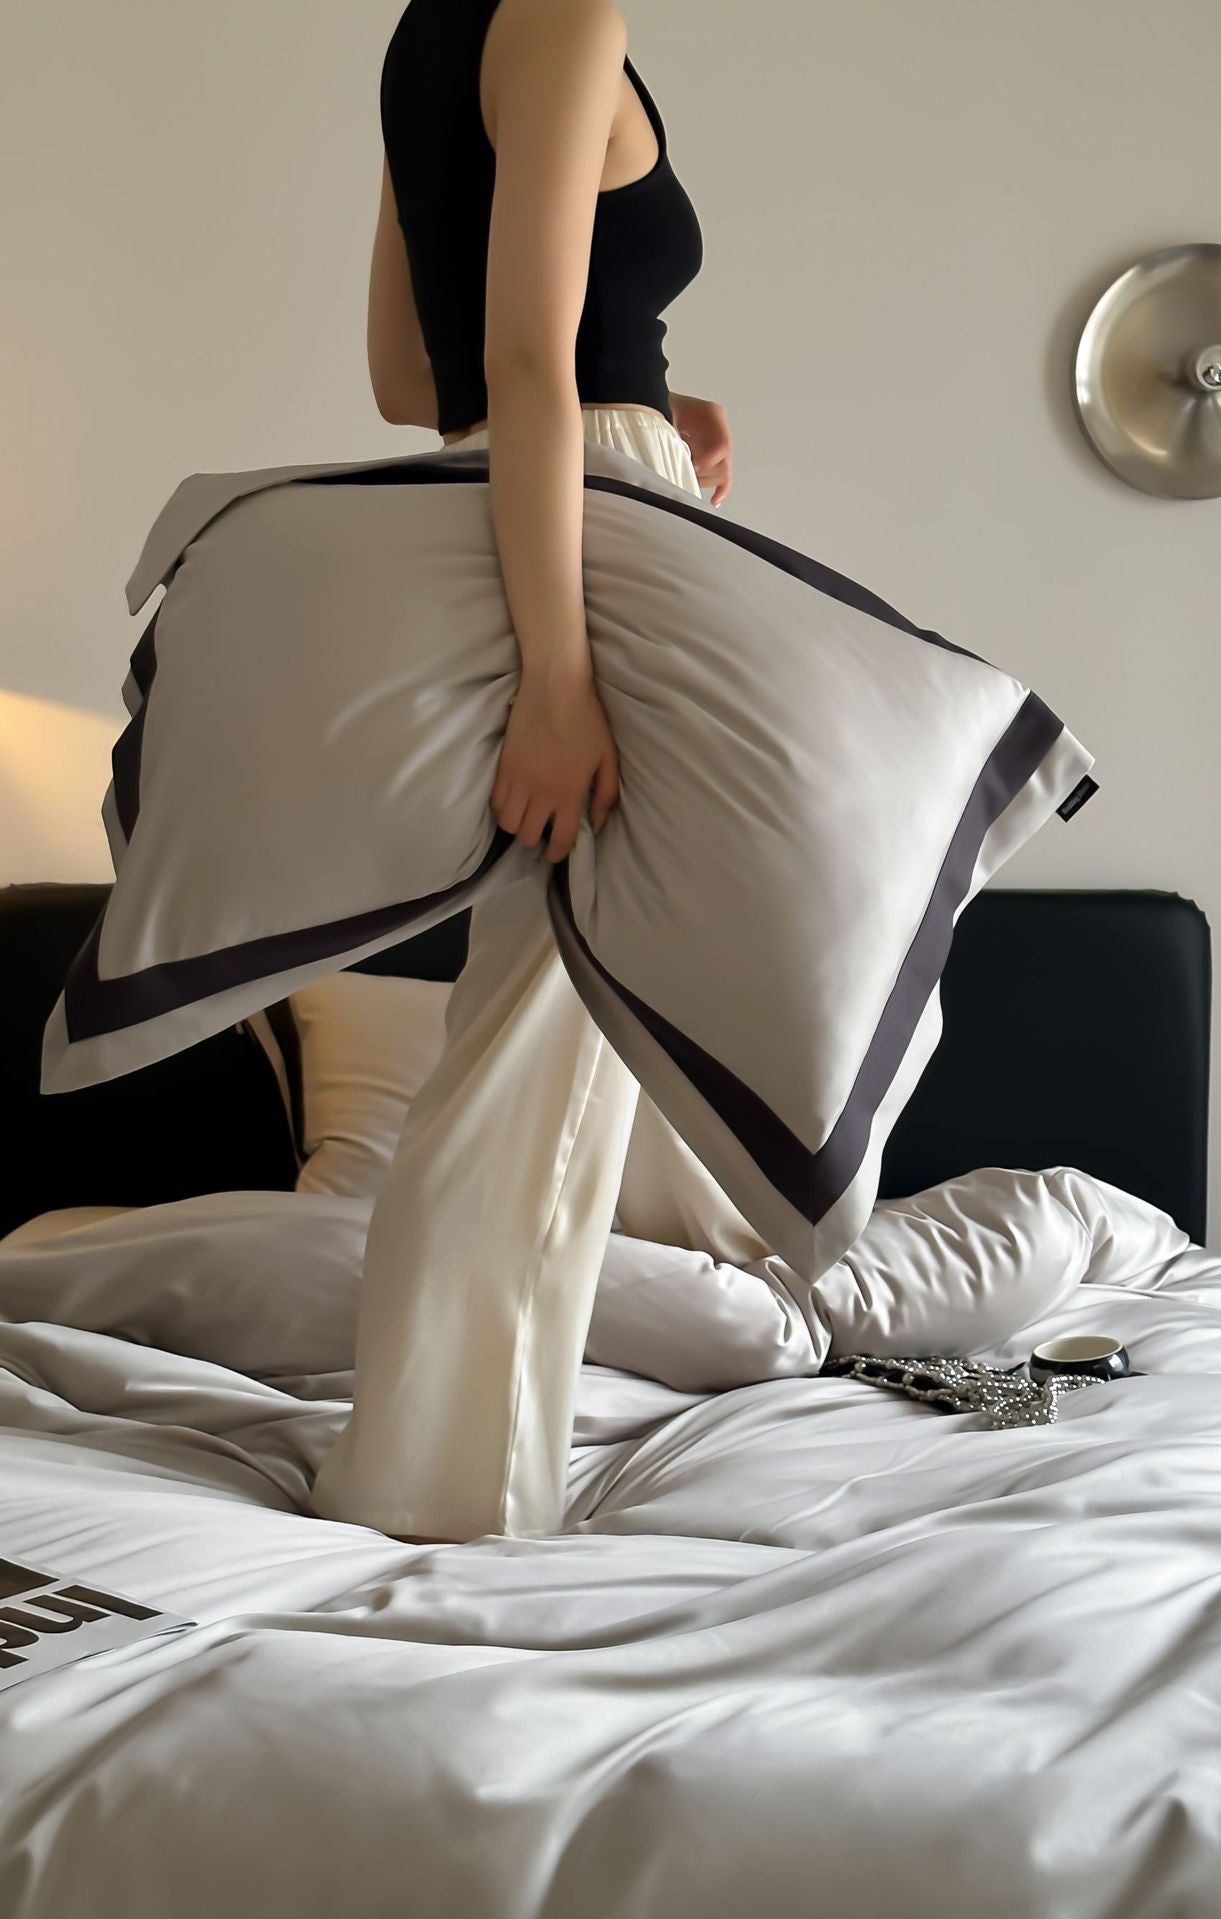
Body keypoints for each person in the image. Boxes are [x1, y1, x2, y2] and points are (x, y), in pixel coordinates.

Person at [308, 0, 770, 1545]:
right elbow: (514, 352)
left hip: (506, 513)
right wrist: (562, 679)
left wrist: (646, 385)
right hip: (582, 539)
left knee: (533, 1025)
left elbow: (404, 372)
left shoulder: (428, 31)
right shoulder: (566, 10)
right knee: (543, 1052)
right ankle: (454, 1510)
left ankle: (441, 1471)